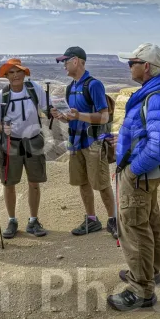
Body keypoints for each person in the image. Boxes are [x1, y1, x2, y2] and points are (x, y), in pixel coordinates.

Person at [106, 43, 160, 312]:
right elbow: (147, 134)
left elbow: (158, 146)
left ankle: (141, 290)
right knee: (148, 223)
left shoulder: (156, 98)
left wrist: (133, 170)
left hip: (139, 176)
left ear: (146, 67)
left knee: (134, 228)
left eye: (132, 62)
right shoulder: (153, 93)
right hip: (145, 175)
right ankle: (150, 273)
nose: (129, 67)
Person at [50, 46, 118, 239]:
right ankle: (91, 219)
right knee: (82, 182)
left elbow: (104, 117)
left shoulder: (93, 85)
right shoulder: (71, 87)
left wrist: (79, 115)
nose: (63, 65)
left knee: (102, 183)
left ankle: (113, 219)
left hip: (93, 142)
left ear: (77, 61)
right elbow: (72, 117)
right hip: (75, 142)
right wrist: (61, 117)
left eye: (65, 61)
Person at [0, 58, 49, 238]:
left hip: (33, 140)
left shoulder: (34, 89)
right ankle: (12, 220)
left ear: (24, 74)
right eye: (11, 73)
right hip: (11, 142)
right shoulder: (1, 95)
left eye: (18, 72)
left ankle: (33, 220)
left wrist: (53, 112)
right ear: (6, 76)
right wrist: (0, 128)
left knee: (34, 183)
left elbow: (47, 107)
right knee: (9, 184)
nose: (15, 76)